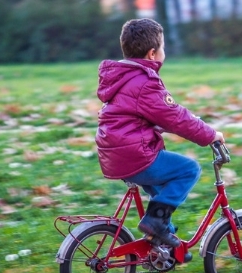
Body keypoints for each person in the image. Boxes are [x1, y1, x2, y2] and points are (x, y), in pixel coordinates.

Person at [95, 18, 224, 248]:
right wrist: (210, 134)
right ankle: (156, 224)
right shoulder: (145, 82)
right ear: (152, 53)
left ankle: (163, 240)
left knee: (159, 194)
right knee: (188, 169)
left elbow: (146, 115)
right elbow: (175, 117)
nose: (165, 52)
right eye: (163, 48)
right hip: (137, 155)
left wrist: (191, 121)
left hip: (115, 155)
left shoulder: (121, 78)